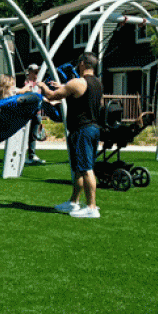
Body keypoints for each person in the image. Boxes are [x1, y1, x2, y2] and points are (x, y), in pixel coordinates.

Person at [39, 52, 104, 219]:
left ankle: (92, 207)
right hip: (90, 129)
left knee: (87, 169)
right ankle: (73, 202)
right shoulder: (98, 83)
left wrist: (42, 86)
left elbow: (52, 96)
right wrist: (63, 86)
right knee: (78, 169)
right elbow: (76, 93)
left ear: (82, 63)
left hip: (84, 130)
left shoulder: (77, 82)